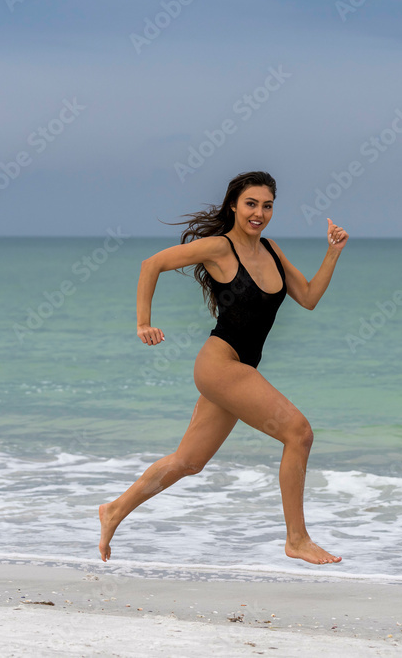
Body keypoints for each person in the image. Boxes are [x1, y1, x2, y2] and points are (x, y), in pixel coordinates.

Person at [98, 171, 349, 565]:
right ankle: (296, 539)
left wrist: (333, 251)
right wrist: (143, 322)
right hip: (221, 362)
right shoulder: (219, 247)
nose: (259, 213)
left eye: (267, 206)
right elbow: (151, 264)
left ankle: (113, 510)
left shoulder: (272, 250)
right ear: (234, 204)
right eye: (251, 204)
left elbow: (310, 296)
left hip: (237, 369)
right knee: (298, 433)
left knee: (188, 462)